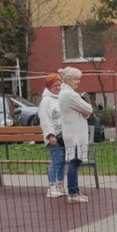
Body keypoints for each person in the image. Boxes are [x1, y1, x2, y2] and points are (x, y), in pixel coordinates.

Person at [57, 67, 93, 204]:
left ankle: (75, 191)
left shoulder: (65, 93)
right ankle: (73, 192)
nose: (78, 82)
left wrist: (84, 111)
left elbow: (85, 110)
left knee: (74, 161)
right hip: (75, 134)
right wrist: (85, 112)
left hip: (72, 132)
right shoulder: (70, 95)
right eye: (77, 79)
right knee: (74, 161)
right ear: (70, 79)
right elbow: (88, 109)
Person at [38, 73, 66, 198]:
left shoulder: (60, 98)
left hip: (63, 135)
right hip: (54, 136)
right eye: (55, 85)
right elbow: (46, 120)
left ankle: (60, 185)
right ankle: (51, 187)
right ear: (49, 87)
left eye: (59, 85)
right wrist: (50, 135)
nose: (58, 87)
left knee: (62, 161)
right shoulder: (46, 101)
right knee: (56, 160)